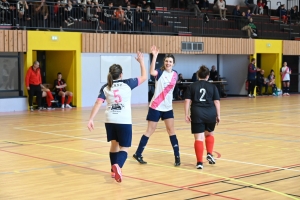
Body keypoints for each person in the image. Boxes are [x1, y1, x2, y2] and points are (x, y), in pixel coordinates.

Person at [87, 51, 147, 183]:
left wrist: (91, 119)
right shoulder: (128, 83)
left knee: (114, 144)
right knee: (124, 148)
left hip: (109, 120)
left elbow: (98, 102)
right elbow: (144, 77)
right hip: (123, 120)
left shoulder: (105, 86)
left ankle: (113, 171)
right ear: (121, 75)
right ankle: (118, 166)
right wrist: (141, 61)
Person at [133, 45, 181, 166]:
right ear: (164, 63)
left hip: (168, 107)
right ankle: (138, 153)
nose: (168, 63)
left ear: (173, 63)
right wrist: (154, 56)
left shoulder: (175, 74)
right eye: (166, 61)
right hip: (155, 106)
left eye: (170, 61)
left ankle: (177, 156)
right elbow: (151, 72)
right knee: (150, 130)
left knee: (171, 131)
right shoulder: (159, 73)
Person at [184, 65, 220, 169]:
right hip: (210, 113)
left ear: (198, 75)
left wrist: (186, 114)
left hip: (197, 113)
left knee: (199, 138)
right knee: (209, 134)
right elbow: (216, 102)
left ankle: (199, 163)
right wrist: (218, 115)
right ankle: (209, 153)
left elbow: (187, 101)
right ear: (208, 76)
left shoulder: (192, 86)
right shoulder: (213, 87)